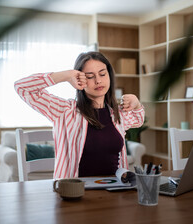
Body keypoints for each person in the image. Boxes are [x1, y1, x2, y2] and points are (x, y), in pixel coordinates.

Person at [14, 51, 145, 178]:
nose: (98, 81)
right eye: (90, 76)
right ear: (79, 79)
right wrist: (66, 75)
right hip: (75, 192)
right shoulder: (65, 111)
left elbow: (138, 120)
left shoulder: (117, 114)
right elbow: (22, 87)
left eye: (102, 74)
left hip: (115, 188)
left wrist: (137, 104)